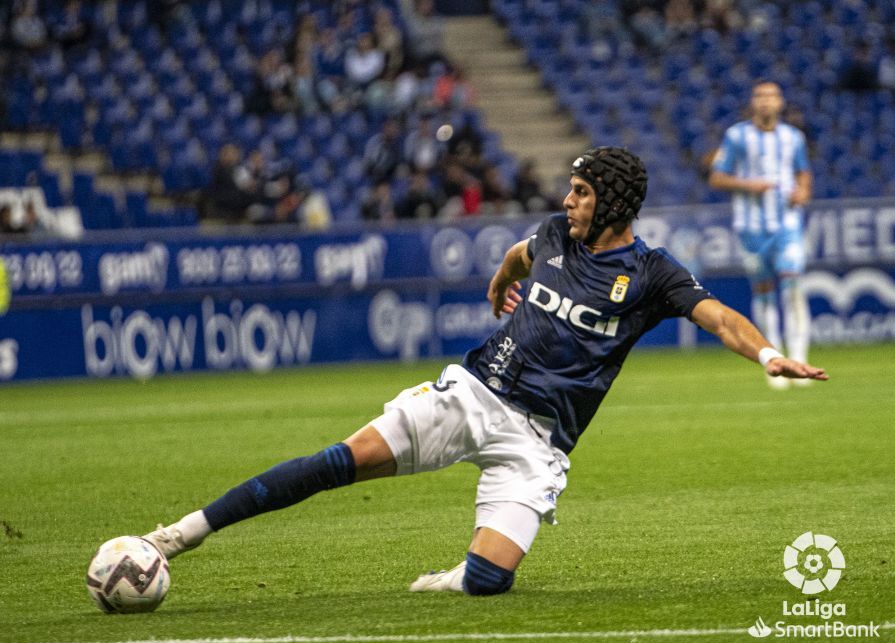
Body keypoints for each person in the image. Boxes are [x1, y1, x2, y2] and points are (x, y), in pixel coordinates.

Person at [143, 147, 827, 596]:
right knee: (338, 461)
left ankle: (458, 575)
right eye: (570, 188)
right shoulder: (556, 237)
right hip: (474, 393)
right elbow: (517, 256)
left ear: (613, 204)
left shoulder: (652, 274)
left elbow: (718, 317)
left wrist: (767, 354)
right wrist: (499, 284)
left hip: (538, 444)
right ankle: (181, 533)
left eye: (581, 192)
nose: (568, 199)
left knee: (488, 582)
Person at [708, 81, 813, 390]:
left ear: (780, 103)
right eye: (760, 96)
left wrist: (803, 191)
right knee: (764, 291)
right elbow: (717, 177)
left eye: (772, 96)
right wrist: (747, 185)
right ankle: (774, 361)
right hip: (751, 228)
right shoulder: (737, 136)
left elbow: (803, 173)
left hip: (787, 224)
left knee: (793, 284)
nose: (766, 102)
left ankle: (800, 356)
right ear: (753, 103)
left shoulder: (793, 137)